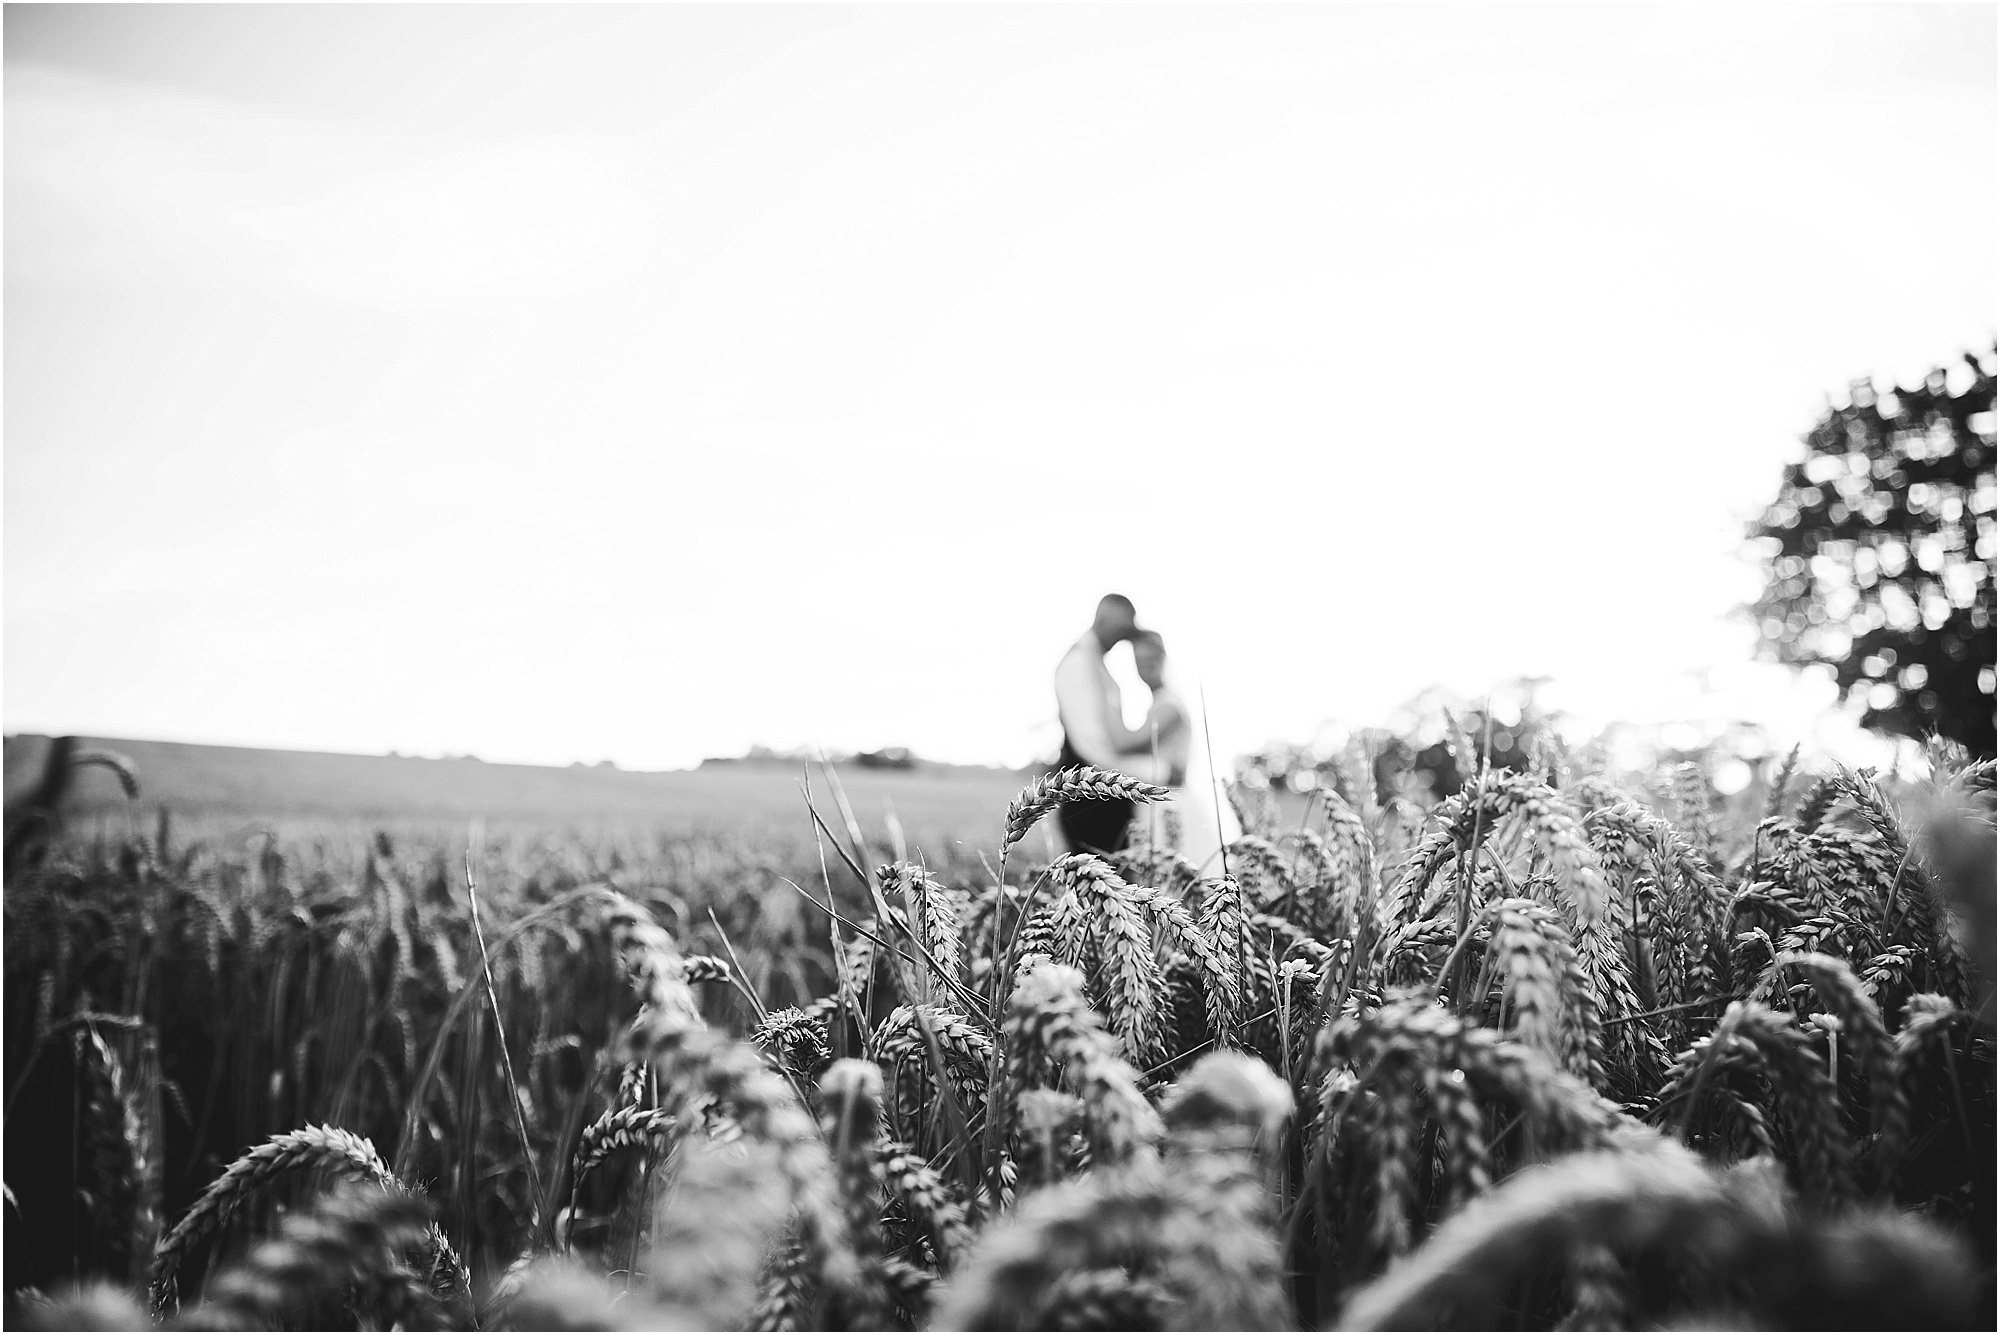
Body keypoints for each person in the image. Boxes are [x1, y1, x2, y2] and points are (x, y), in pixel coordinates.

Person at [1052, 594, 1174, 854]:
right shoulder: (1079, 664)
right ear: (1102, 619)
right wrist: (1154, 772)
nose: (1123, 640)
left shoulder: (1094, 661)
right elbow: (1094, 747)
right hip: (1091, 799)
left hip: (1105, 795)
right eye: (1122, 631)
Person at [1127, 629, 1240, 874]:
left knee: (1174, 876)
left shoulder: (1168, 706)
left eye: (1150, 659)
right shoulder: (1159, 703)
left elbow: (1126, 744)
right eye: (1138, 661)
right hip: (1157, 801)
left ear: (1164, 659)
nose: (1144, 667)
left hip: (1171, 805)